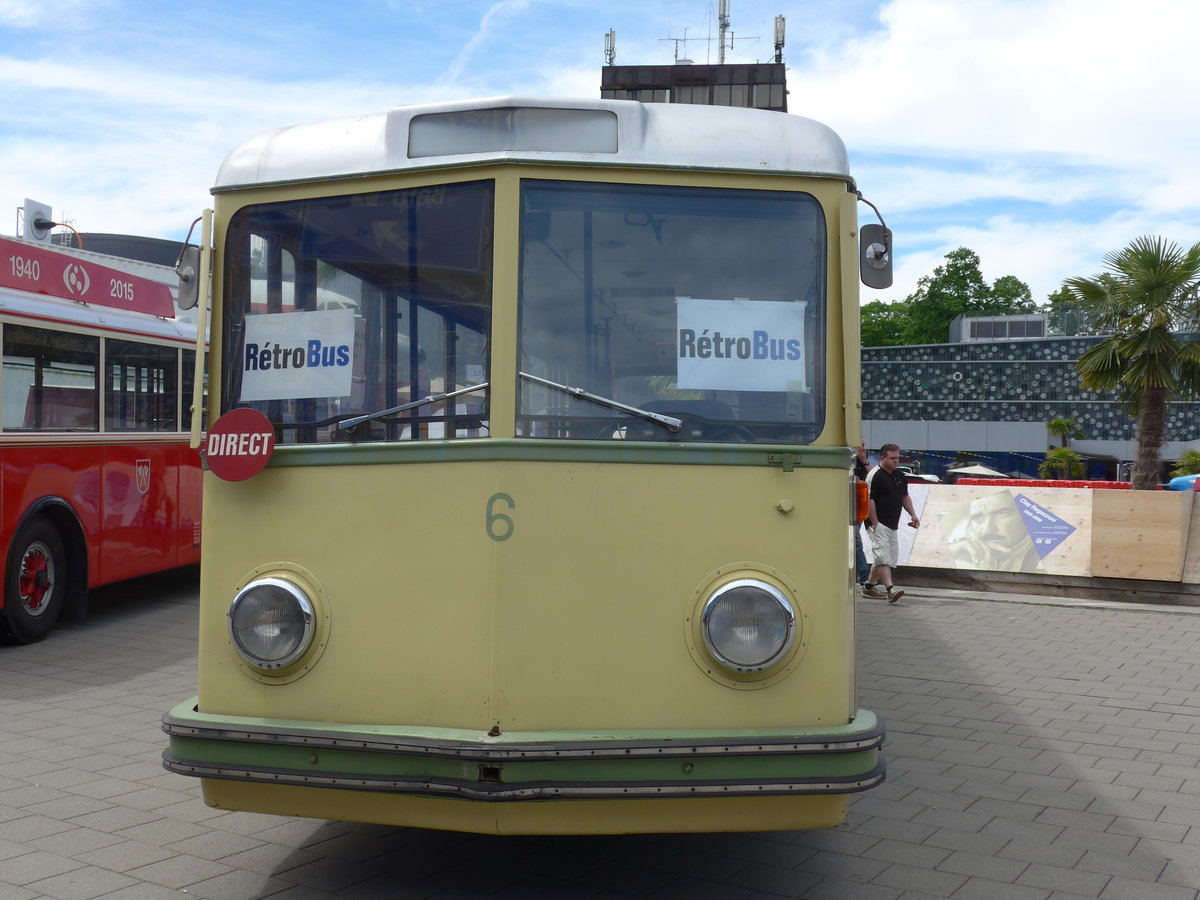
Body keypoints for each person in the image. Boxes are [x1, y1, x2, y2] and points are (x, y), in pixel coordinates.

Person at [864, 443, 920, 602]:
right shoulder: (875, 475)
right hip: (877, 522)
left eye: (898, 458)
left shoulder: (899, 475)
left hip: (891, 523)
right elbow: (870, 500)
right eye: (893, 458)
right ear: (882, 458)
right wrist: (874, 522)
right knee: (882, 555)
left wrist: (913, 515)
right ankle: (890, 589)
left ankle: (868, 587)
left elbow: (904, 496)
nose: (896, 461)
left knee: (884, 557)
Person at [852, 442, 871, 586]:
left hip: (860, 507)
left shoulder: (863, 461)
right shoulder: (847, 460)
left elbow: (873, 477)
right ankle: (864, 575)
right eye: (860, 445)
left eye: (863, 445)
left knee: (855, 542)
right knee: (856, 542)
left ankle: (861, 575)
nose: (862, 448)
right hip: (850, 506)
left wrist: (864, 461)